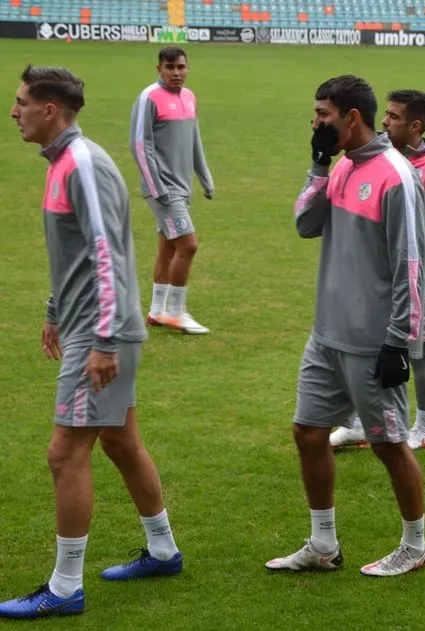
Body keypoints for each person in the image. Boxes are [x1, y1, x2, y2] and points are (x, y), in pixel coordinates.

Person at [2, 65, 183, 620]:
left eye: (21, 103)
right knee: (120, 441)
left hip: (100, 332)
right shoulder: (62, 163)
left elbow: (108, 253)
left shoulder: (81, 163)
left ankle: (64, 588)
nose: (13, 112)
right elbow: (76, 252)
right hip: (90, 324)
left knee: (65, 453)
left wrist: (102, 339)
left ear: (50, 110)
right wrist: (55, 309)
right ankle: (163, 550)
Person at [266, 75, 425, 577]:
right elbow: (304, 224)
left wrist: (398, 342)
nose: (315, 123)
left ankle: (414, 546)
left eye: (323, 115)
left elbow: (410, 265)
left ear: (351, 117)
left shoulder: (396, 176)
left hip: (371, 342)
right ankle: (323, 544)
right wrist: (318, 165)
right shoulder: (339, 168)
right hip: (326, 336)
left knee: (389, 445)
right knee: (307, 432)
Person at [330, 88, 425, 451]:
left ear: (415, 126)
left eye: (394, 117)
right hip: (378, 283)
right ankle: (359, 423)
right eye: (385, 114)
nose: (384, 122)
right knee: (366, 350)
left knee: (420, 354)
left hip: (419, 285)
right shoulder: (382, 160)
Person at [130, 46, 214, 335]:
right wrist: (158, 189)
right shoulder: (149, 97)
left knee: (167, 248)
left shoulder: (189, 97)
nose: (176, 73)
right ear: (159, 69)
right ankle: (176, 313)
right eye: (170, 67)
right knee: (188, 246)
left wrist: (205, 178)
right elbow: (139, 145)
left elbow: (194, 141)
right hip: (163, 189)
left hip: (182, 186)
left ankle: (156, 312)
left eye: (181, 67)